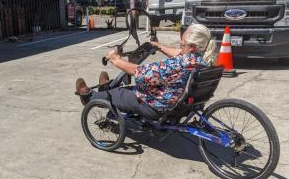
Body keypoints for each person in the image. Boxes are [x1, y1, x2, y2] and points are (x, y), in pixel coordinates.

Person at [75, 24, 217, 119]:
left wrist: (116, 59)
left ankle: (89, 97)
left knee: (119, 93)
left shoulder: (177, 64)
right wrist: (158, 46)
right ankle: (105, 88)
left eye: (183, 41)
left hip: (154, 105)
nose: (180, 42)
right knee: (119, 90)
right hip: (181, 105)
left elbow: (139, 72)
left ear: (192, 47)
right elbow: (179, 53)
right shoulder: (202, 60)